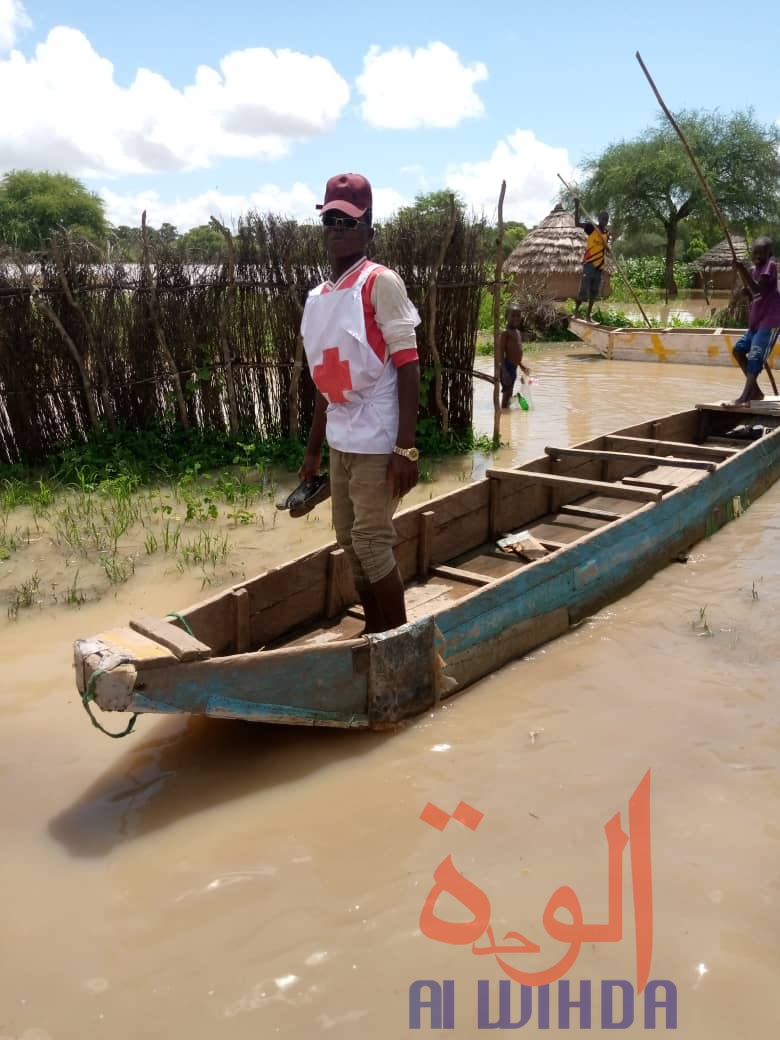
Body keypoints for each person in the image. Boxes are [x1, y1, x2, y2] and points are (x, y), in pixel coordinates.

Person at [299, 173, 421, 634]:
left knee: (371, 542)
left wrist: (405, 447)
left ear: (369, 229)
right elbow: (323, 383)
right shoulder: (319, 297)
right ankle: (376, 631)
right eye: (330, 219)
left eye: (347, 222)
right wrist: (313, 451)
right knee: (348, 541)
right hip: (340, 438)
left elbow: (409, 366)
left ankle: (399, 638)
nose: (336, 229)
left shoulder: (380, 282)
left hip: (378, 437)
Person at [731, 236, 780, 406]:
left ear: (769, 254)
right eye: (755, 253)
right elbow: (757, 296)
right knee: (738, 350)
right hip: (756, 323)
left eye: (762, 253)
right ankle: (756, 392)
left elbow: (759, 289)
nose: (758, 256)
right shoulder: (754, 271)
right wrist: (749, 295)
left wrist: (741, 271)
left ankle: (745, 397)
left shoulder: (770, 266)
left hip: (770, 321)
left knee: (755, 355)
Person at [572, 199, 609, 321]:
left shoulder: (606, 234)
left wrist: (607, 248)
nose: (604, 221)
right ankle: (576, 312)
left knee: (594, 292)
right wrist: (577, 207)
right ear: (599, 219)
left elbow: (605, 249)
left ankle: (588, 316)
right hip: (589, 264)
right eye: (603, 218)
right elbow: (577, 224)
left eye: (606, 219)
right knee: (583, 290)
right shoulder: (592, 228)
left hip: (599, 267)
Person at [497, 304, 531, 408]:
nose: (516, 318)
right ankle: (504, 412)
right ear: (506, 317)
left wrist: (521, 365)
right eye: (513, 316)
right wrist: (504, 371)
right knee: (507, 394)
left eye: (518, 316)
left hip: (514, 367)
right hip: (507, 367)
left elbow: (515, 353)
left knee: (509, 392)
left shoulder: (517, 332)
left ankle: (513, 402)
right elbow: (500, 352)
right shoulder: (505, 333)